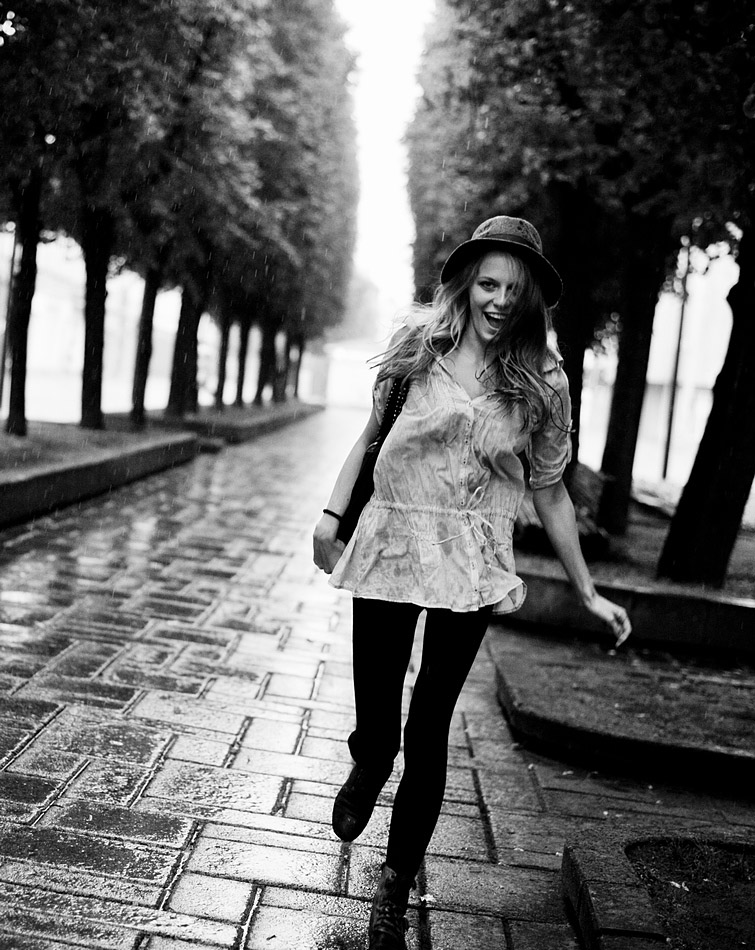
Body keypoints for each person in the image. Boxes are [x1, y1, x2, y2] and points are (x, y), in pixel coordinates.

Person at [312, 215, 631, 950]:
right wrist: (331, 516)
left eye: (513, 291)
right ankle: (368, 760)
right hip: (392, 541)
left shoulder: (542, 380)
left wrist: (586, 590)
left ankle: (395, 882)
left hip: (473, 557)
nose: (499, 301)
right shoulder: (415, 348)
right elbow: (370, 438)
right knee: (380, 722)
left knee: (429, 727)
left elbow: (550, 490)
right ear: (465, 283)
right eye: (488, 284)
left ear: (530, 299)